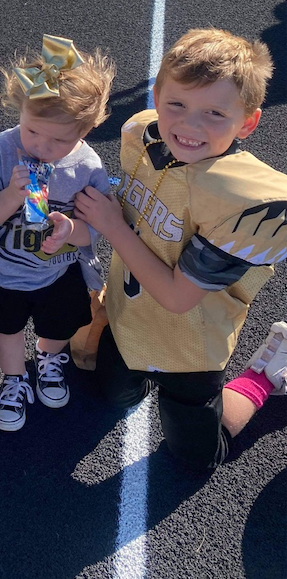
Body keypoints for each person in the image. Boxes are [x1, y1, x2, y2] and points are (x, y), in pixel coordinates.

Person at [74, 28, 287, 471]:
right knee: (110, 394)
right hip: (130, 316)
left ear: (247, 122)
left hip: (190, 344)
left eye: (214, 113)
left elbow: (175, 298)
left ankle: (262, 377)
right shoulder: (142, 134)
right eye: (177, 105)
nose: (190, 126)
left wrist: (110, 225)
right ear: (155, 97)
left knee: (195, 459)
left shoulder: (245, 201)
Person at [0, 35, 115, 431]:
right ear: (20, 113)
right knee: (5, 325)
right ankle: (13, 379)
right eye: (32, 131)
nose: (42, 147)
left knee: (59, 324)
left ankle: (48, 359)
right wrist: (12, 194)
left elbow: (96, 230)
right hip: (1, 269)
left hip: (56, 270)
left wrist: (69, 230)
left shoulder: (88, 167)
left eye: (61, 139)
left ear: (87, 129)